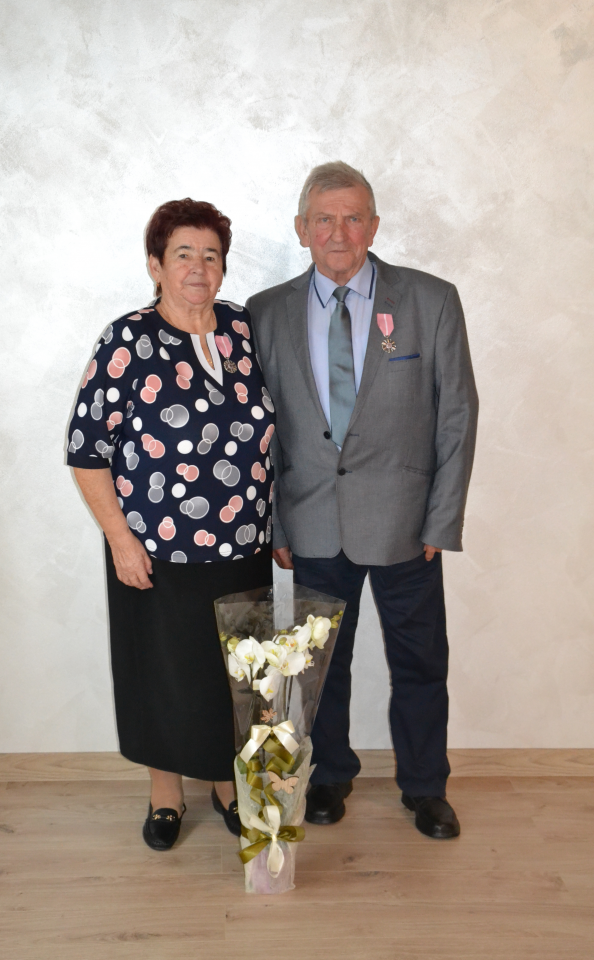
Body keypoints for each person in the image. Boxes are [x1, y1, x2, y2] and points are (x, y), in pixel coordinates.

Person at [246, 162, 478, 839]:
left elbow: (457, 415)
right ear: (302, 229)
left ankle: (426, 787)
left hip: (409, 526)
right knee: (321, 669)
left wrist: (442, 518)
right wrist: (276, 523)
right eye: (324, 219)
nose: (339, 233)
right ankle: (330, 776)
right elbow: (260, 429)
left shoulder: (431, 300)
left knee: (420, 663)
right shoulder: (264, 312)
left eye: (353, 218)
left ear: (373, 226)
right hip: (312, 522)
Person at [66, 198, 275, 849]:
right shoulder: (127, 340)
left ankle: (226, 785)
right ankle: (165, 794)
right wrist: (119, 539)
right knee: (164, 679)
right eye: (183, 254)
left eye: (211, 255)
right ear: (156, 265)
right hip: (156, 554)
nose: (198, 267)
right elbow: (86, 450)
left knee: (234, 679)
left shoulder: (245, 330)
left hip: (245, 547)